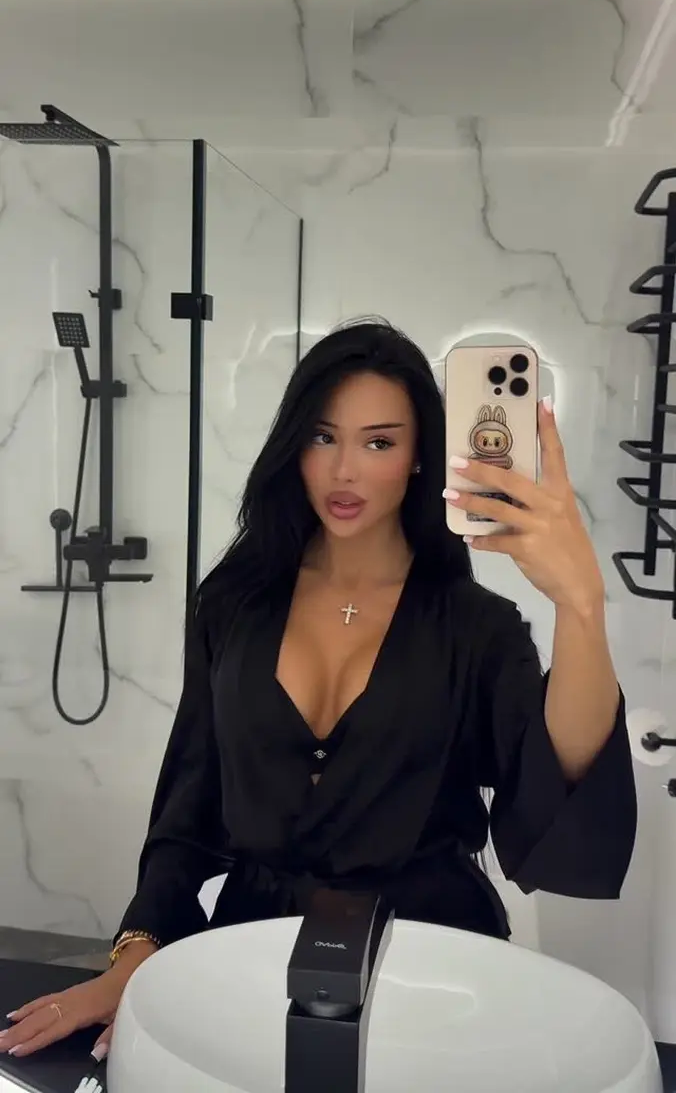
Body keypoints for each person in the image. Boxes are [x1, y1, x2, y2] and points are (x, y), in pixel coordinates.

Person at [0, 320, 637, 1062]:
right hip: (250, 953)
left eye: (378, 442)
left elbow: (556, 790)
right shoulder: (234, 604)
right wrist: (134, 956)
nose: (344, 471)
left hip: (429, 969)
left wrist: (581, 605)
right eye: (323, 436)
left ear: (419, 456)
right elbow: (189, 802)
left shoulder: (477, 628)